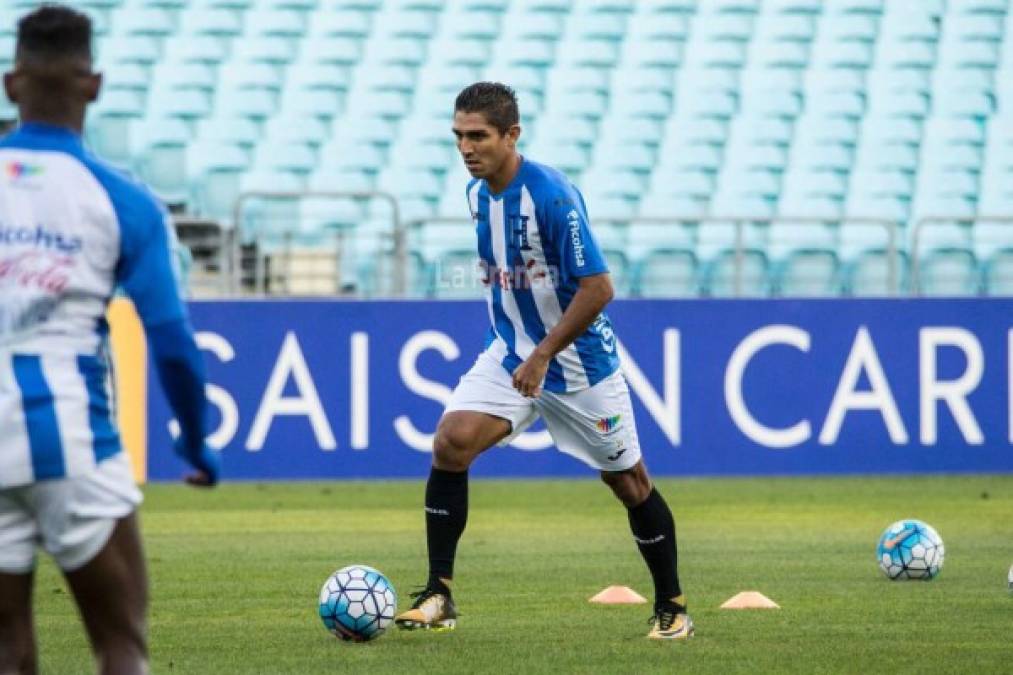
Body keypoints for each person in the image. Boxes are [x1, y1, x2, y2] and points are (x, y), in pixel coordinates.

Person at [394, 82, 692, 640]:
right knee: (451, 442)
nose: (465, 147)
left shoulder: (551, 196)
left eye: (478, 136)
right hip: (510, 353)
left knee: (628, 483)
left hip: (576, 366)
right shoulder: (476, 194)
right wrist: (521, 345)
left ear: (512, 135)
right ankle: (440, 594)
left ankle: (673, 605)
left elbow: (599, 287)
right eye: (458, 136)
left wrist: (544, 353)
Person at [0, 6, 219, 674]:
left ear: (12, 83)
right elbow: (171, 340)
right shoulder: (124, 200)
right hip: (70, 437)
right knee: (120, 644)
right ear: (93, 84)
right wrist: (194, 436)